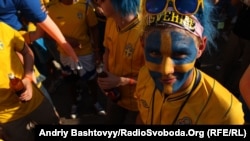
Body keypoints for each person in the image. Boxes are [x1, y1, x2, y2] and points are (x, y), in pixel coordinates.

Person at [135, 0, 245, 124]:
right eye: (155, 53)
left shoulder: (225, 113)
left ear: (201, 48)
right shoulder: (144, 75)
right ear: (143, 45)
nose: (165, 70)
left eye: (180, 54)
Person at [0, 21, 60, 141]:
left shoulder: (2, 28)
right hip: (7, 115)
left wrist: (27, 78)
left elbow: (26, 52)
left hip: (33, 99)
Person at [46, 0, 106, 118]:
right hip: (65, 54)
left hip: (85, 53)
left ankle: (95, 102)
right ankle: (74, 103)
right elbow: (46, 32)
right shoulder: (51, 8)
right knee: (70, 81)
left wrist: (97, 51)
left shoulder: (85, 5)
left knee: (91, 79)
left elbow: (94, 29)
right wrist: (66, 41)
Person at [96, 0, 145, 124]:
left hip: (138, 103)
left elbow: (155, 79)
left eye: (102, 0)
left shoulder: (145, 33)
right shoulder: (111, 21)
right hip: (114, 96)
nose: (97, 2)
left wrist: (121, 81)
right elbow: (107, 50)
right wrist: (105, 76)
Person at [217, 0, 250, 97]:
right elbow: (233, 3)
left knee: (243, 70)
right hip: (238, 30)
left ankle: (234, 93)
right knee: (227, 60)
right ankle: (219, 87)